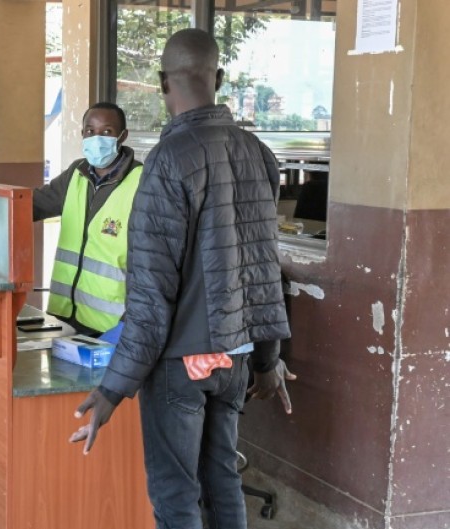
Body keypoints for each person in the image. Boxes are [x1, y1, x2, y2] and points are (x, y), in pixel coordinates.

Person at [69, 29, 294, 529]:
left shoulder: (167, 161)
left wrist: (113, 389)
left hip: (180, 363)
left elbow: (151, 294)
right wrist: (267, 359)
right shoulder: (259, 154)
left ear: (161, 84)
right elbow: (263, 271)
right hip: (235, 356)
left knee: (176, 495)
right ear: (217, 78)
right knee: (222, 479)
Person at [33, 102, 141, 337]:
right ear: (82, 134)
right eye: (90, 131)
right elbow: (34, 205)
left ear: (122, 136)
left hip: (110, 327)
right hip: (63, 318)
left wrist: (129, 323)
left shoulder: (141, 182)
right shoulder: (76, 173)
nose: (97, 138)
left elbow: (149, 263)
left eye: (107, 132)